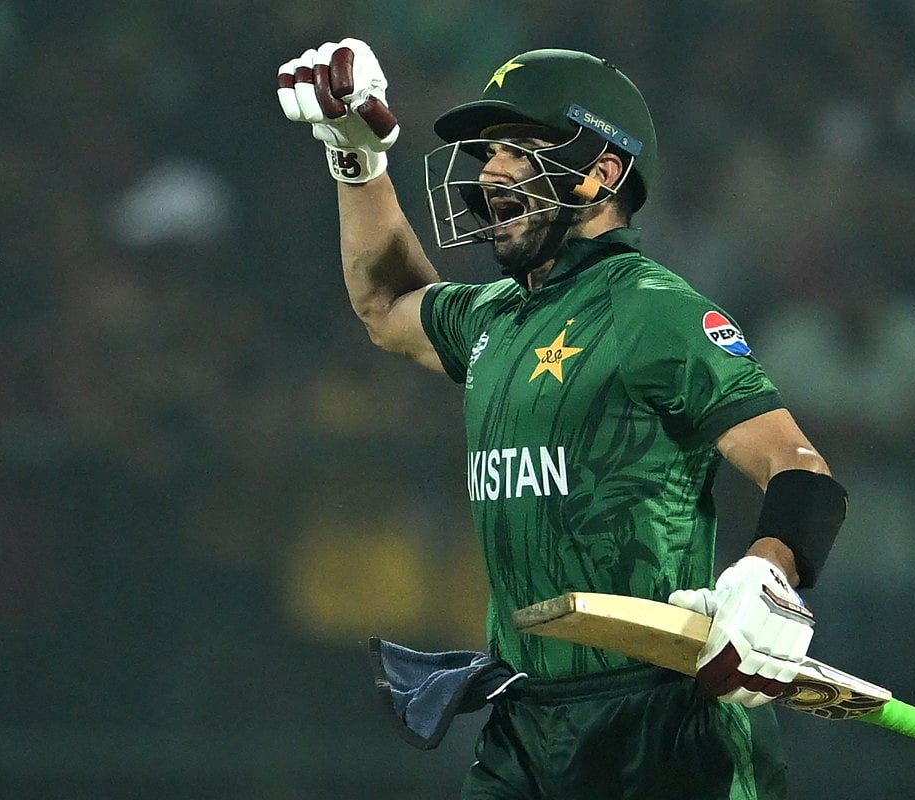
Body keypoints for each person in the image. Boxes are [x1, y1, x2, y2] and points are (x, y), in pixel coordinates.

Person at [277, 38, 848, 800]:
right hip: (524, 725)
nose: (490, 172)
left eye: (519, 148)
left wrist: (770, 576)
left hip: (665, 727)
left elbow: (799, 469)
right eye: (489, 151)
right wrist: (357, 160)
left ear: (601, 173)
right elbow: (386, 305)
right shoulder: (493, 316)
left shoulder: (656, 311)